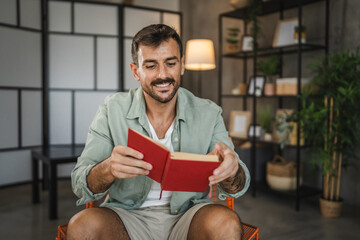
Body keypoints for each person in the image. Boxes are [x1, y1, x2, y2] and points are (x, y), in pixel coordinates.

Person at [67, 24, 250, 240]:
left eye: (170, 63)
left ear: (182, 65)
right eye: (151, 66)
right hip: (125, 216)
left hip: (190, 215)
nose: (163, 75)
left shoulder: (208, 112)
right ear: (136, 71)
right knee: (81, 225)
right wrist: (108, 168)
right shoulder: (111, 109)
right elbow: (79, 183)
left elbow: (238, 184)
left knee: (226, 223)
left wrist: (231, 169)